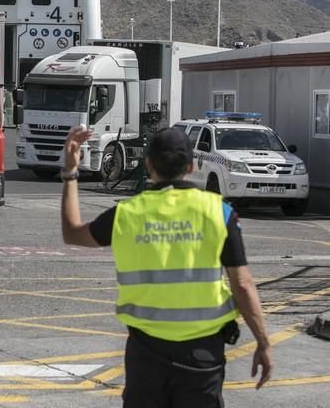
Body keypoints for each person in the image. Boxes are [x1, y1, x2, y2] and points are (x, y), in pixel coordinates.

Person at [60, 126, 272, 407]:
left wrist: (71, 173)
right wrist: (263, 341)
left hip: (146, 355)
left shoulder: (127, 213)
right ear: (191, 166)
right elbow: (243, 285)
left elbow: (72, 232)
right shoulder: (218, 212)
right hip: (202, 356)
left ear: (148, 165)